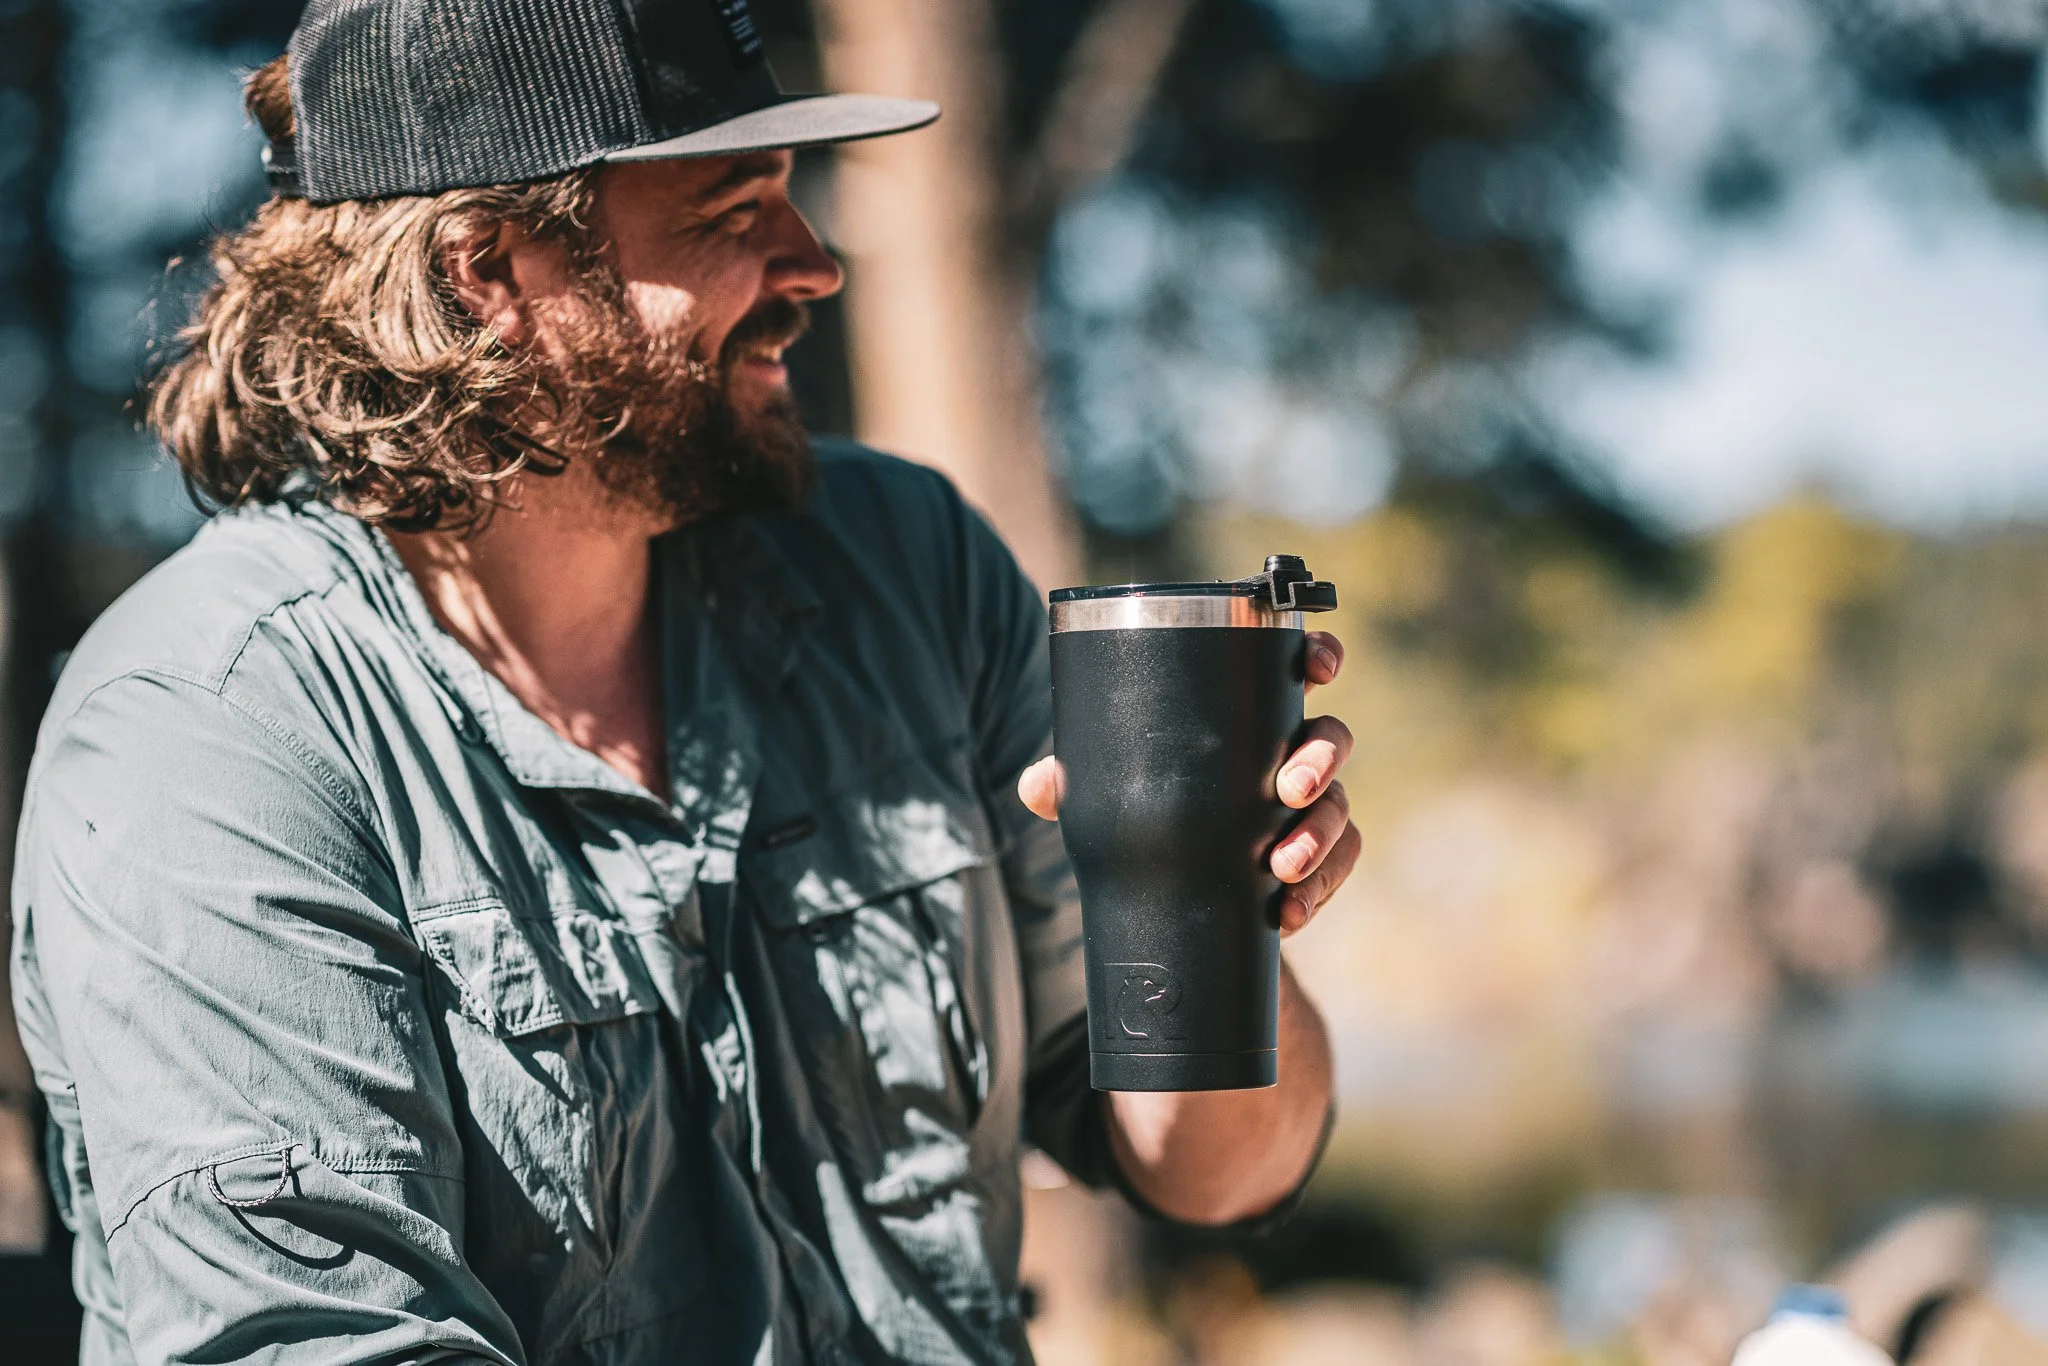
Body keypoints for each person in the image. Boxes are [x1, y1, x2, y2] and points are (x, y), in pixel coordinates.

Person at [9, 2, 1360, 1362]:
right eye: (734, 210)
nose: (816, 264)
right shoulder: (213, 729)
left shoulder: (908, 569)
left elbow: (1220, 1170)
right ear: (488, 270)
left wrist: (1197, 901)